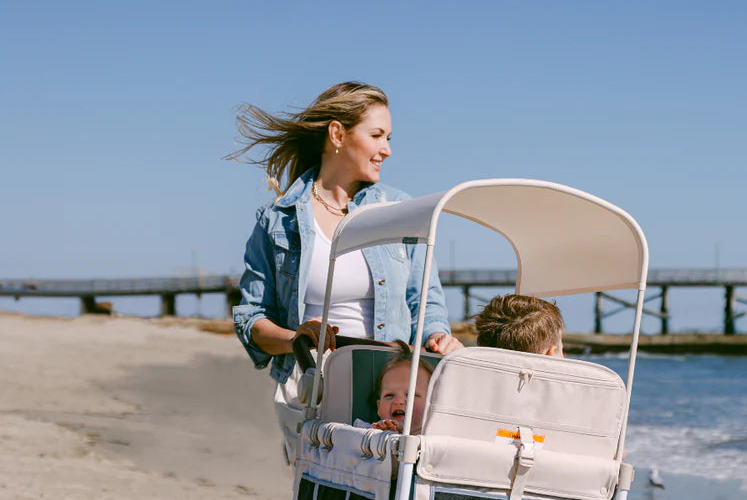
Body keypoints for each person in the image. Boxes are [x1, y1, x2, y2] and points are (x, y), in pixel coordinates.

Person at [229, 81, 461, 454]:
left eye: (388, 137)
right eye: (377, 135)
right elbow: (251, 319)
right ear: (337, 134)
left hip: (388, 389)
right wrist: (297, 339)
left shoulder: (399, 212)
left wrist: (438, 336)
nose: (387, 149)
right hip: (311, 387)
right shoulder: (277, 221)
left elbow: (426, 304)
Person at [474, 294, 565, 356]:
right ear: (550, 354)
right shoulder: (567, 385)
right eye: (562, 350)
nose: (565, 355)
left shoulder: (469, 382)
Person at [371, 351, 434, 434]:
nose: (398, 401)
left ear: (432, 405)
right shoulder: (370, 430)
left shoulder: (440, 438)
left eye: (411, 395)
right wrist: (379, 436)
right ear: (379, 407)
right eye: (389, 395)